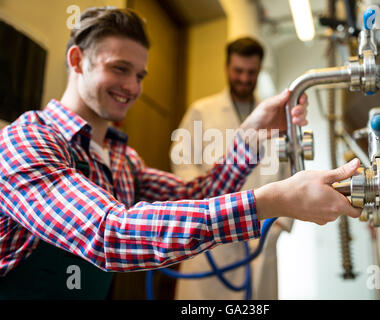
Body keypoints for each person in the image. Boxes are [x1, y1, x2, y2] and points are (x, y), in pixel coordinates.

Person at [0, 7, 361, 300]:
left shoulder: (121, 159)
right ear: (77, 60)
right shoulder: (26, 142)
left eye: (140, 75)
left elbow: (197, 194)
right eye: (120, 69)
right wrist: (269, 202)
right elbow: (110, 233)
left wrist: (253, 133)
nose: (132, 87)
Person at [171, 37, 293, 300]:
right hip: (211, 237)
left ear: (259, 71)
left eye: (251, 72)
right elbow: (182, 165)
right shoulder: (201, 111)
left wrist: (280, 224)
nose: (244, 78)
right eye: (238, 71)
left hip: (261, 234)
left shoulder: (273, 115)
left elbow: (288, 168)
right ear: (227, 68)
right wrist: (208, 212)